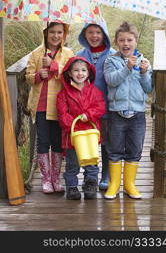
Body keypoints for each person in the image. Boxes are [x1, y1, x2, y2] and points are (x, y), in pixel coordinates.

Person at [103, 21, 153, 200]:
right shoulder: (111, 61)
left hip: (138, 114)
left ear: (136, 41)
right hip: (117, 112)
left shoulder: (143, 61)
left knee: (135, 149)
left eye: (129, 40)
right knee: (115, 149)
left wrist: (144, 72)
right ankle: (114, 184)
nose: (126, 44)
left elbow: (148, 88)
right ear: (116, 42)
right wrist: (127, 68)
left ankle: (130, 185)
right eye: (122, 40)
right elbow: (111, 80)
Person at [25, 22, 74, 194]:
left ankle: (55, 178)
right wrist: (38, 75)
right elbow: (28, 77)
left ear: (64, 34)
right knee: (43, 141)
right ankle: (46, 180)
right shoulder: (36, 54)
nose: (55, 35)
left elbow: (71, 75)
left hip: (59, 106)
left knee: (58, 142)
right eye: (52, 32)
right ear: (45, 33)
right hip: (40, 106)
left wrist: (54, 66)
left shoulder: (67, 54)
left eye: (59, 32)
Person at [56, 56, 106, 200]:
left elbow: (100, 107)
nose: (80, 73)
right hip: (73, 136)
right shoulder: (63, 94)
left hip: (89, 134)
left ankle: (90, 183)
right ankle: (71, 187)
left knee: (91, 161)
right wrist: (74, 125)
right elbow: (62, 114)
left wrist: (88, 114)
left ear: (88, 73)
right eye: (76, 70)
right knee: (72, 163)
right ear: (69, 73)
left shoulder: (94, 91)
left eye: (83, 70)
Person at [76, 21, 115, 190]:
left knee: (106, 143)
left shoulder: (113, 55)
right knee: (88, 143)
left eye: (98, 32)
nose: (94, 36)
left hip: (106, 106)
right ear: (85, 34)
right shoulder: (80, 55)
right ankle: (90, 175)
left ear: (104, 35)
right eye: (90, 32)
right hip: (85, 109)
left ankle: (106, 174)